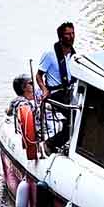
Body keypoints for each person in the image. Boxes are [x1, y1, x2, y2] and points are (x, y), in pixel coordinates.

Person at [35, 22, 75, 152]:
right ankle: (50, 144)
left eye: (73, 33)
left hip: (70, 91)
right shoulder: (50, 54)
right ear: (61, 37)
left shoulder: (74, 55)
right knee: (74, 119)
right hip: (56, 93)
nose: (71, 36)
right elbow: (39, 75)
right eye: (68, 34)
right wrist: (44, 89)